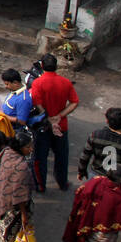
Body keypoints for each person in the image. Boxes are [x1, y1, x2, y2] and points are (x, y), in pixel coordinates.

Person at [30, 53, 79, 192]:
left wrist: (48, 117)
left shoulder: (37, 83)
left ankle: (41, 186)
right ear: (56, 66)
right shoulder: (65, 82)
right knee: (61, 156)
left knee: (41, 157)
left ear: (41, 66)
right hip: (61, 125)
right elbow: (74, 102)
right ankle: (62, 183)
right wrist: (60, 116)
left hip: (43, 126)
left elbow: (37, 103)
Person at [0, 129, 35, 242]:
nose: (31, 149)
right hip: (13, 207)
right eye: (28, 146)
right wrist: (24, 214)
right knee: (9, 236)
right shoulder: (21, 166)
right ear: (20, 148)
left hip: (1, 199)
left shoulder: (7, 153)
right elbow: (20, 195)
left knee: (1, 230)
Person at [78, 107, 121, 189]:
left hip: (96, 176)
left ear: (107, 121)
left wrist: (81, 171)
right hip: (116, 180)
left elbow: (84, 156)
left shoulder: (95, 135)